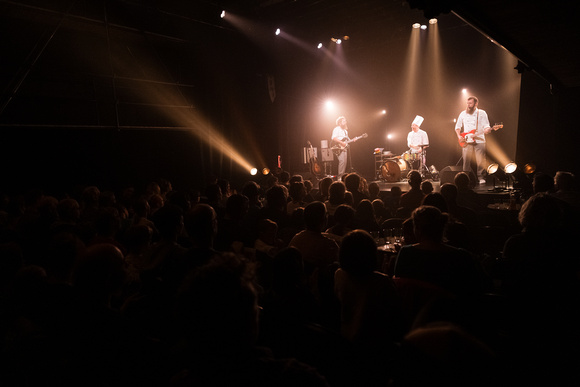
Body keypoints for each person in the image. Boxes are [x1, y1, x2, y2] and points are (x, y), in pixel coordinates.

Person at [455, 96, 493, 185]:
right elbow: (457, 127)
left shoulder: (482, 113)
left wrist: (488, 129)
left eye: (470, 103)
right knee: (466, 161)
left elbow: (486, 125)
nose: (468, 105)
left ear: (476, 104)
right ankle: (466, 178)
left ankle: (481, 177)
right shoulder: (463, 114)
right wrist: (459, 136)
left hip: (479, 140)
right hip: (466, 140)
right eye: (467, 103)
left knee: (480, 160)